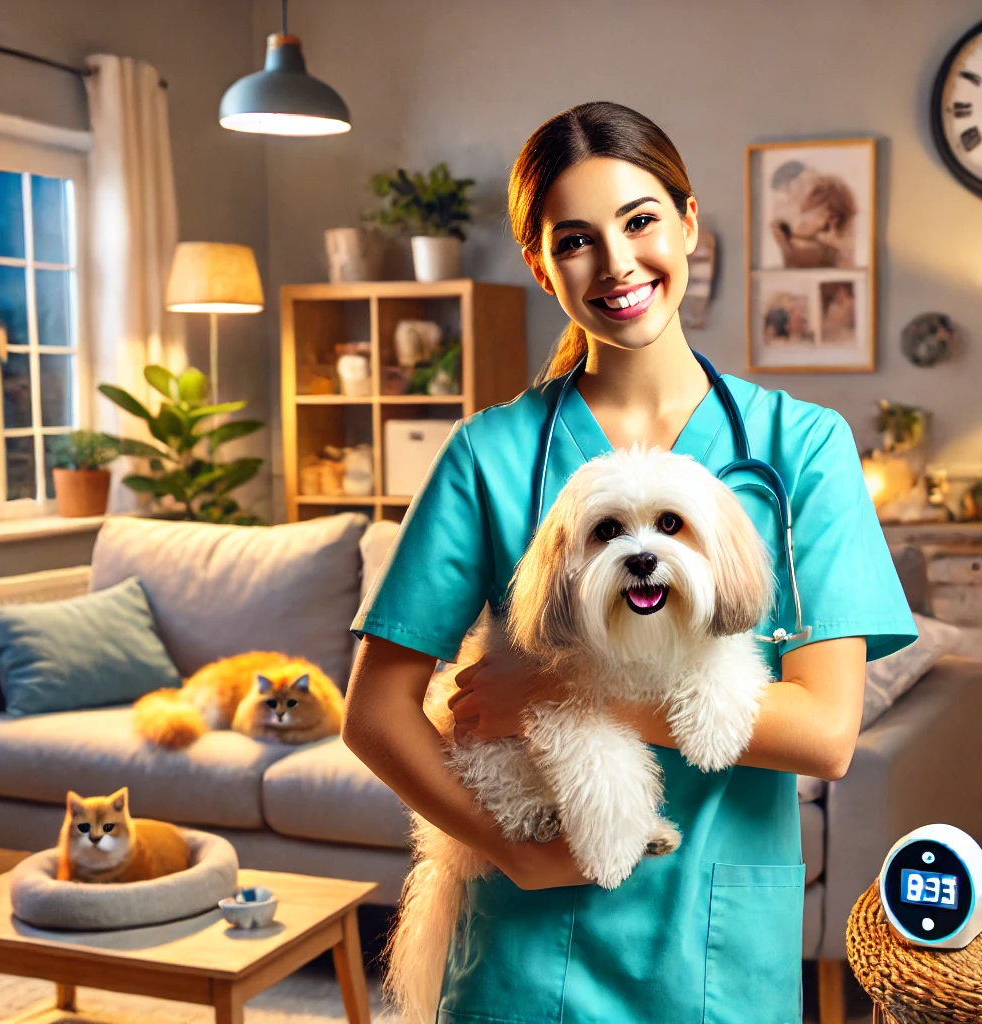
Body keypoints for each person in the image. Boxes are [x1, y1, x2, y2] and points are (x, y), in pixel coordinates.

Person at [343, 100, 915, 1024]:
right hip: (530, 952)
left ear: (689, 224)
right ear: (541, 265)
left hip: (719, 949)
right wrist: (513, 849)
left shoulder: (801, 446)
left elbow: (826, 734)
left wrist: (565, 696)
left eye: (640, 220)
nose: (615, 264)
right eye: (575, 240)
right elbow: (374, 712)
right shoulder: (489, 456)